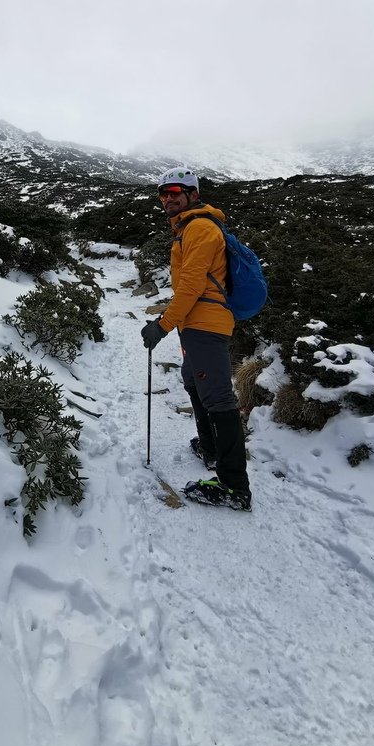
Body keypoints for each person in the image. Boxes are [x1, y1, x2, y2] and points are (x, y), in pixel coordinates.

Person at [140, 168, 251, 511]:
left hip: (206, 324)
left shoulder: (201, 228)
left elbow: (192, 286)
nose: (168, 198)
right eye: (163, 193)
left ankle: (234, 486)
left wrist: (162, 325)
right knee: (193, 381)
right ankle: (210, 446)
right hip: (196, 324)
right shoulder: (188, 227)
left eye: (175, 191)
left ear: (192, 193)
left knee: (217, 397)